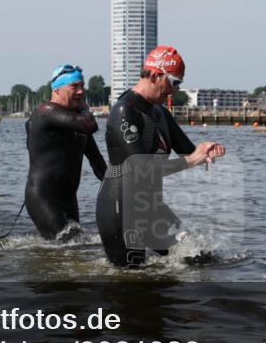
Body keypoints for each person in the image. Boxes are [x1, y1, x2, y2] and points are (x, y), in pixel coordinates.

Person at [96, 45, 225, 268]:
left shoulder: (160, 112)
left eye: (179, 83)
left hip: (152, 207)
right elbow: (141, 168)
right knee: (131, 279)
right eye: (174, 82)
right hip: (120, 208)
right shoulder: (124, 111)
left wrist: (206, 151)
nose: (175, 90)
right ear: (156, 76)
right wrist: (192, 160)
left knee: (199, 260)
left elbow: (188, 151)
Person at [24, 64, 106, 240]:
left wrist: (117, 188)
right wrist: (85, 108)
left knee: (76, 247)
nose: (80, 91)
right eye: (74, 86)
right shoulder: (45, 112)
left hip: (69, 198)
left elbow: (96, 161)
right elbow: (90, 125)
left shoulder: (76, 122)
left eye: (82, 86)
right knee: (65, 247)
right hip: (43, 197)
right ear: (57, 89)